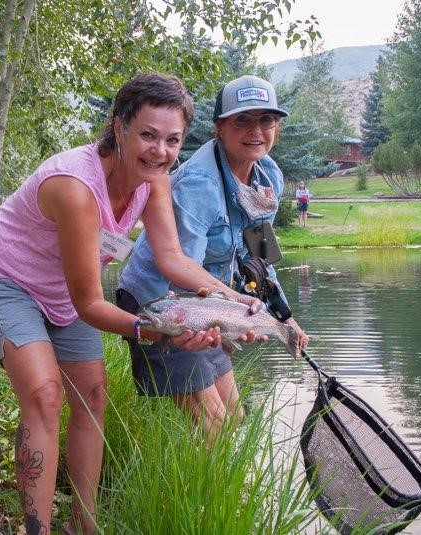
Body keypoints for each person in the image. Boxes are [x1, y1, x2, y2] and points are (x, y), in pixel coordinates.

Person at [0, 73, 262, 535]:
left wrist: (233, 300)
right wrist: (155, 332)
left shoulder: (154, 180)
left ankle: (84, 525)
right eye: (147, 135)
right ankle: (37, 529)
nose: (159, 151)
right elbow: (90, 304)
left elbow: (171, 257)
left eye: (172, 140)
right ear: (119, 126)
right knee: (45, 395)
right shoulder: (75, 185)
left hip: (65, 289)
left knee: (94, 396)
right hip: (8, 281)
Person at [117, 74, 309, 439]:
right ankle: (192, 498)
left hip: (213, 307)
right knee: (213, 424)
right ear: (219, 128)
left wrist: (285, 319)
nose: (256, 131)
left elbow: (260, 253)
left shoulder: (267, 176)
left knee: (234, 417)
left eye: (265, 120)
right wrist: (233, 313)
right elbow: (177, 270)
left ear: (277, 127)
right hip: (163, 304)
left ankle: (221, 494)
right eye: (243, 120)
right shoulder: (199, 184)